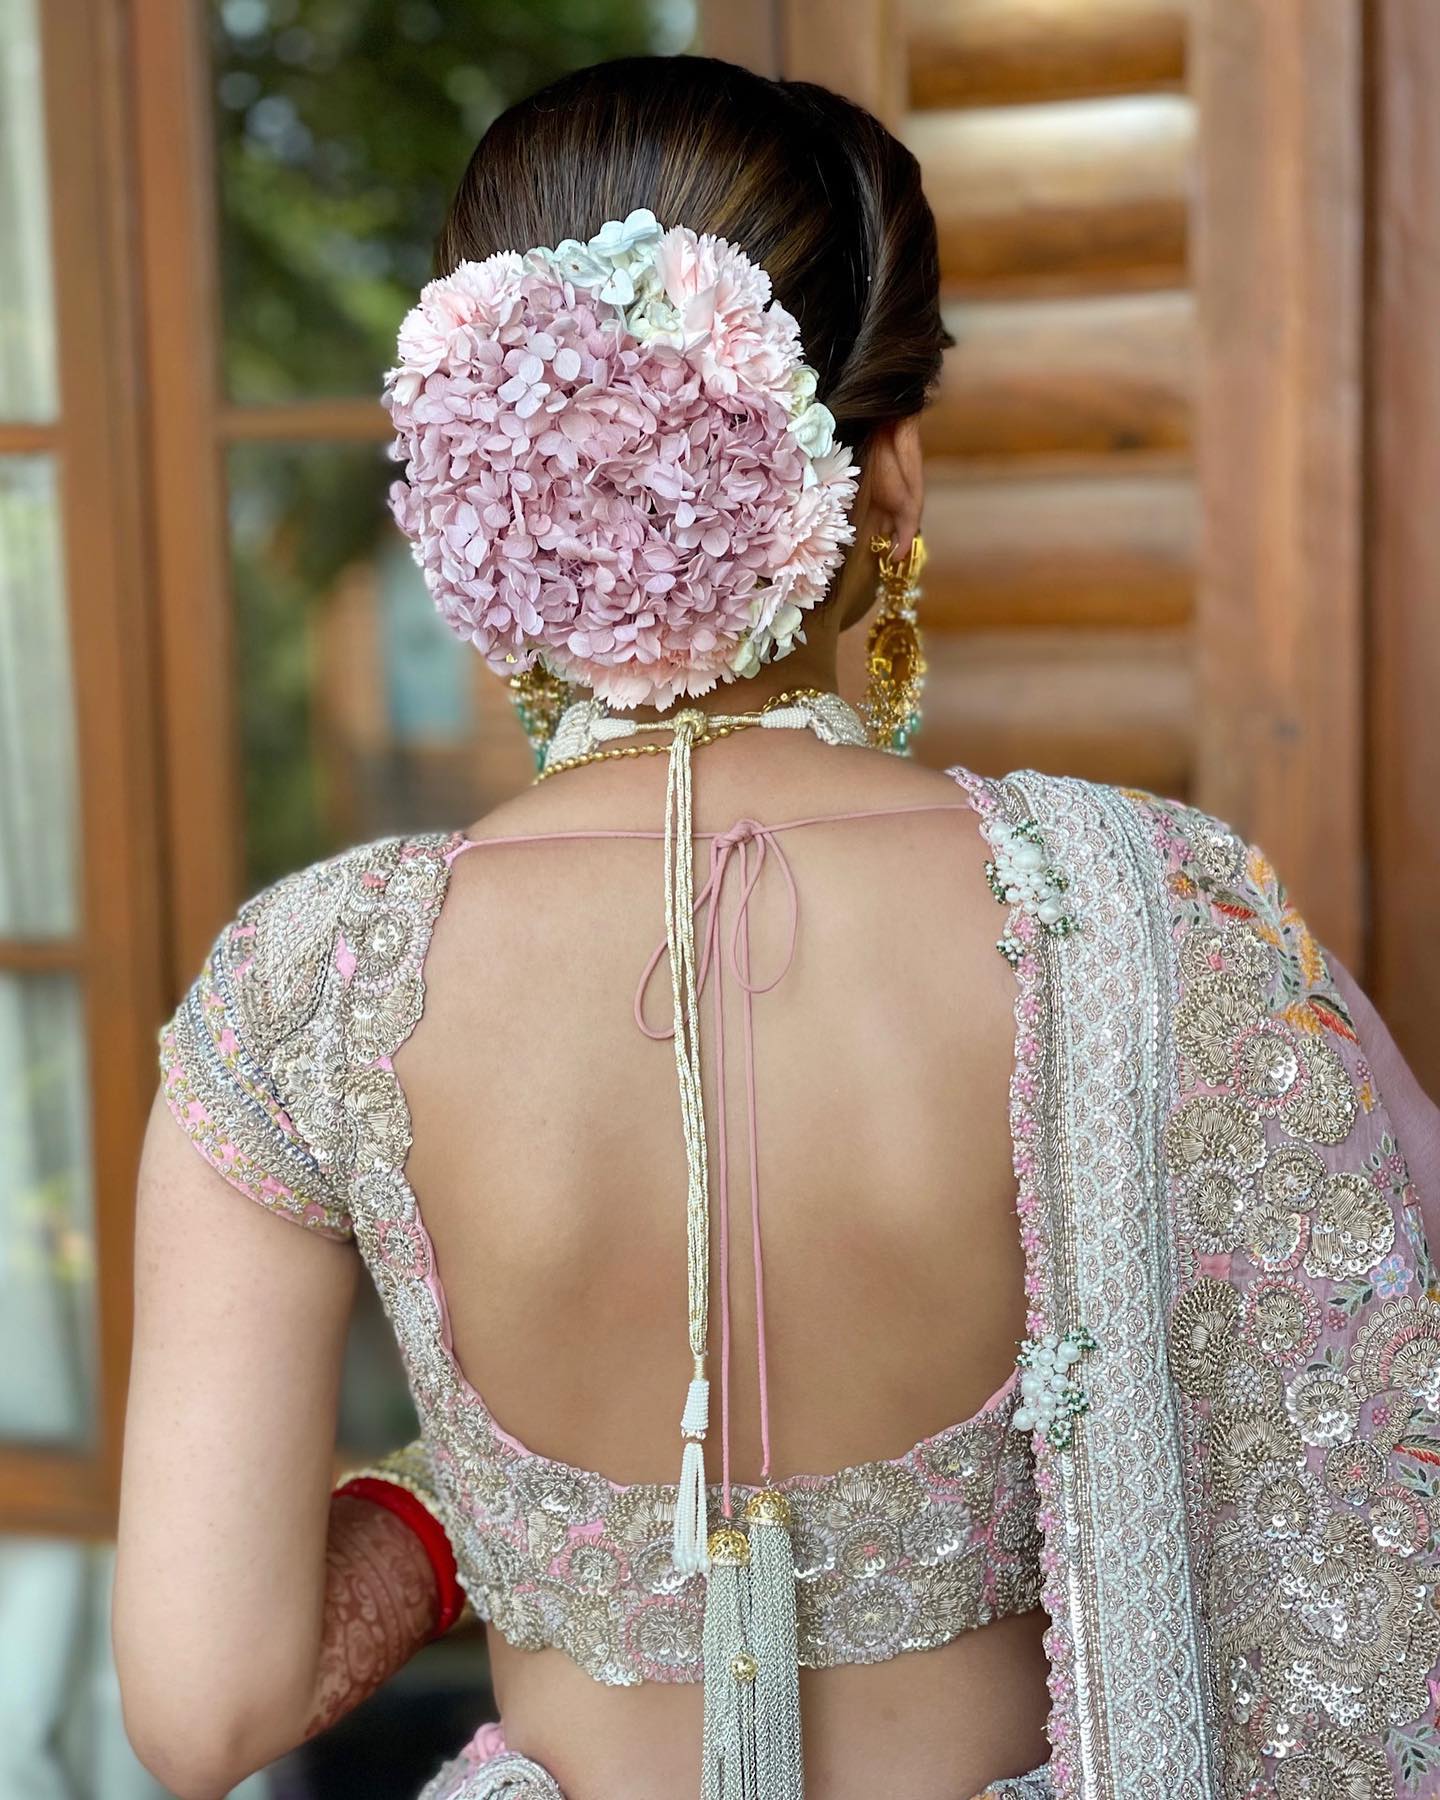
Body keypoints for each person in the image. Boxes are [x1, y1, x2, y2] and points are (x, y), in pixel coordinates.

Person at [113, 54, 1440, 1800]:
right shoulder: (1162, 913)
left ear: (491, 475)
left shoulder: (311, 985)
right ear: (889, 462)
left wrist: (470, 1509)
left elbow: (205, 1710)